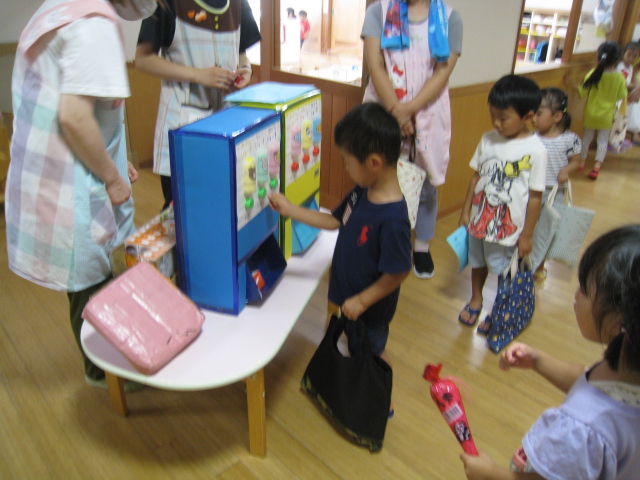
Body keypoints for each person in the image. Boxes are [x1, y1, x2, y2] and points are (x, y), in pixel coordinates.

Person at [5, 0, 158, 392]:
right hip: (70, 181)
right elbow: (74, 117)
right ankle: (101, 370)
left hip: (59, 168)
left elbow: (81, 107)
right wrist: (111, 176)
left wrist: (115, 160)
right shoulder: (93, 24)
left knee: (92, 273)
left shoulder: (63, 7)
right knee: (90, 277)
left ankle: (110, 360)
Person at [460, 225, 640, 480]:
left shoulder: (582, 429)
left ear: (619, 321)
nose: (576, 295)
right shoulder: (628, 367)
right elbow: (589, 380)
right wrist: (537, 360)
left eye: (585, 290)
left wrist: (491, 474)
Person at [269, 103, 412, 415]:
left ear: (374, 162)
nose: (346, 168)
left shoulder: (393, 219)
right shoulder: (362, 192)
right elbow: (334, 221)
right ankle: (350, 379)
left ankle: (380, 395)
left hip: (369, 308)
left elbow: (399, 271)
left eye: (348, 162)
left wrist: (362, 300)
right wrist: (291, 210)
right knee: (348, 340)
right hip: (347, 293)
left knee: (371, 352)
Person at [361, 0, 463, 279]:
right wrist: (397, 112)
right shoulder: (378, 12)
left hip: (428, 113)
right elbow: (376, 65)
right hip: (384, 110)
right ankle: (374, 239)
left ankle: (421, 246)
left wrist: (410, 110)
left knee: (426, 184)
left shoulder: (450, 19)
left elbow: (443, 71)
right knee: (377, 179)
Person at [136, 0, 261, 209]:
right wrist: (197, 75)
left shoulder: (238, 4)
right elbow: (143, 59)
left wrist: (246, 69)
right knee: (182, 211)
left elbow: (241, 52)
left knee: (226, 205)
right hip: (183, 124)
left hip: (226, 124)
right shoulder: (167, 3)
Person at [457, 75, 547, 332]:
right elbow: (476, 177)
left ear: (528, 116)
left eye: (503, 118)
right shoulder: (488, 139)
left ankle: (500, 308)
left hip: (507, 227)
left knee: (503, 270)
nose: (496, 122)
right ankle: (476, 299)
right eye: (492, 115)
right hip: (479, 220)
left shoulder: (536, 150)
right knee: (477, 261)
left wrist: (527, 234)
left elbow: (536, 197)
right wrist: (465, 211)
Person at [532, 87, 581, 283]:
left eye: (539, 113)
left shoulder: (570, 139)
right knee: (529, 228)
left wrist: (566, 170)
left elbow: (576, 161)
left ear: (557, 116)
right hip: (531, 191)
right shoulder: (532, 137)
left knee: (546, 230)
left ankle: (539, 265)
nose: (533, 118)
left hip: (554, 192)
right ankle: (524, 262)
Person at [569, 41, 626, 181]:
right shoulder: (619, 77)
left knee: (586, 139)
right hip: (606, 116)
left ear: (599, 56)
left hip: (591, 113)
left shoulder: (592, 73)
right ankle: (596, 166)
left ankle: (581, 162)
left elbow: (582, 91)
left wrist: (571, 83)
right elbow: (621, 95)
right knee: (602, 141)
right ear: (618, 60)